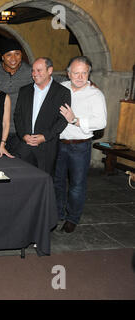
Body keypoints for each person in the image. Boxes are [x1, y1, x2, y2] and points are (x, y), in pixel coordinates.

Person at [54, 56, 107, 233]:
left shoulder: (95, 94)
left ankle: (72, 218)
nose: (79, 77)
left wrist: (75, 120)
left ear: (88, 73)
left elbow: (101, 122)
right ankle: (57, 213)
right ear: (68, 73)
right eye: (76, 73)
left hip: (80, 146)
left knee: (77, 185)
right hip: (59, 144)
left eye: (84, 73)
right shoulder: (61, 88)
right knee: (58, 182)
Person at [14, 57, 70, 176]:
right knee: (22, 181)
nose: (35, 74)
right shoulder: (24, 90)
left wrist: (45, 137)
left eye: (39, 70)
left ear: (50, 70)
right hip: (25, 146)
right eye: (33, 71)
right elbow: (17, 116)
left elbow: (62, 120)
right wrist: (23, 135)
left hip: (47, 148)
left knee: (43, 184)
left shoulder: (62, 92)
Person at [0, 39, 33, 157]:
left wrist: (83, 83)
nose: (13, 58)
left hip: (21, 131)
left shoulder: (30, 72)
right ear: (3, 57)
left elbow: (49, 80)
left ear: (21, 55)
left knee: (19, 166)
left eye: (17, 53)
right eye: (9, 55)